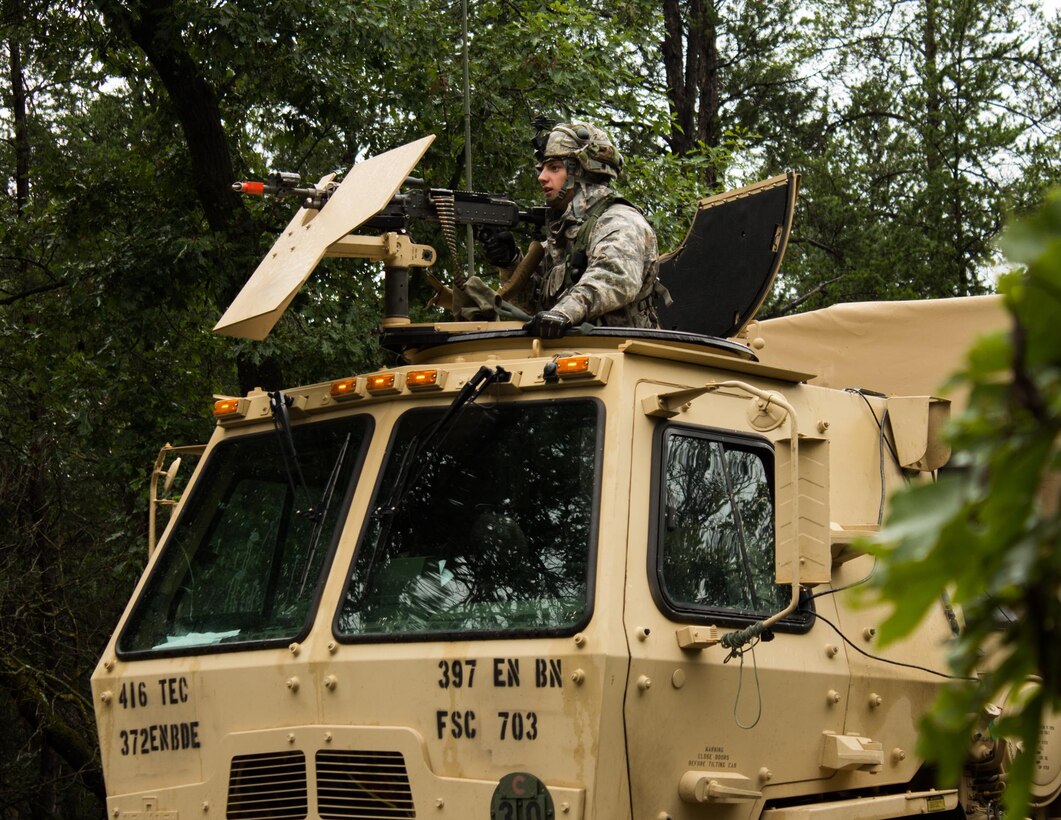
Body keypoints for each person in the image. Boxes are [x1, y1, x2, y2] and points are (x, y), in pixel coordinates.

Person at [483, 122, 664, 338]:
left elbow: (614, 279)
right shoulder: (565, 232)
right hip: (573, 353)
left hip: (626, 353)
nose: (542, 177)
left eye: (554, 168)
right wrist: (511, 263)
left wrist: (563, 313)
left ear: (579, 172)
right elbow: (536, 306)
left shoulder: (619, 221)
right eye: (542, 169)